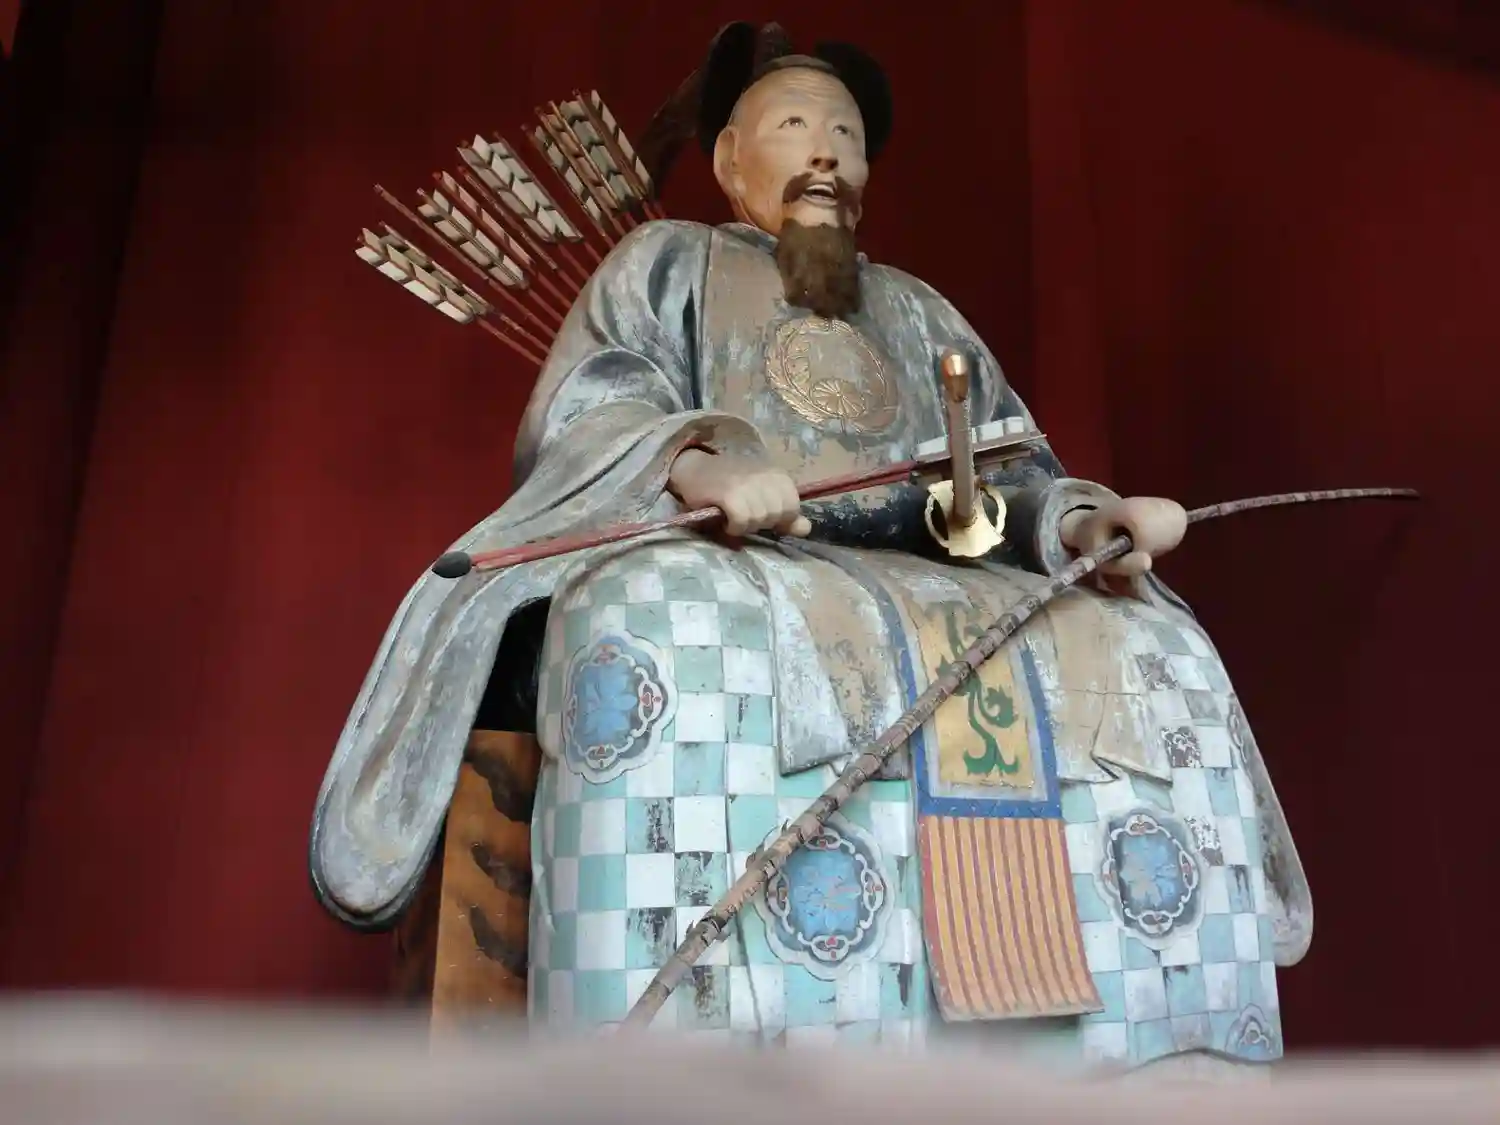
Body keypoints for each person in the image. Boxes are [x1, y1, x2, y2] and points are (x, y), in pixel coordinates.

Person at [310, 22, 1309, 1075]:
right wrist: (699, 465)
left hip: (932, 578)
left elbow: (1003, 473)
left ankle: (1152, 1040)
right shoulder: (668, 264)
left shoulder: (919, 312)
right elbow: (594, 409)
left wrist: (1082, 523)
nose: (825, 152)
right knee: (648, 611)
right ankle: (679, 1050)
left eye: (847, 135)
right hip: (747, 567)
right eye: (794, 126)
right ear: (729, 158)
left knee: (1158, 646)